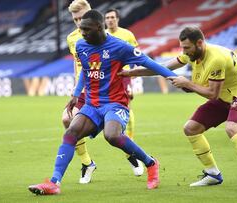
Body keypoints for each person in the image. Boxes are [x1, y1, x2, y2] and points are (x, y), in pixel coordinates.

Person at [28, 9, 177, 195]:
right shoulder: (82, 46)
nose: (82, 33)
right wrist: (76, 93)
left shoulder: (120, 47)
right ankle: (53, 182)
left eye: (87, 29)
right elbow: (85, 70)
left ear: (99, 28)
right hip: (91, 103)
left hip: (115, 103)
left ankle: (151, 163)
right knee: (71, 132)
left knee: (112, 135)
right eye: (81, 29)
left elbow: (149, 62)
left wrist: (175, 77)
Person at [119, 27, 237, 192]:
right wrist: (132, 73)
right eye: (182, 47)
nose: (184, 51)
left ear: (200, 43)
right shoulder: (192, 54)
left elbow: (212, 93)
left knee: (232, 128)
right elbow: (161, 68)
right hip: (223, 97)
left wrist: (187, 83)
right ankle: (213, 174)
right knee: (191, 128)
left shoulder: (216, 58)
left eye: (187, 48)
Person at [104, 8, 143, 176]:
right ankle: (128, 147)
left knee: (128, 105)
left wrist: (132, 78)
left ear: (118, 19)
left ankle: (130, 139)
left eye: (113, 17)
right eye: (107, 18)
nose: (110, 20)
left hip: (124, 75)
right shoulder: (102, 36)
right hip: (106, 78)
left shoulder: (127, 34)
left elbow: (136, 56)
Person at [64, 0, 96, 184]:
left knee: (113, 134)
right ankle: (87, 163)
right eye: (75, 19)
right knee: (67, 119)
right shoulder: (72, 38)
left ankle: (137, 157)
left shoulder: (103, 36)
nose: (78, 22)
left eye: (82, 18)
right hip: (83, 90)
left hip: (104, 90)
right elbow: (78, 65)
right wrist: (76, 87)